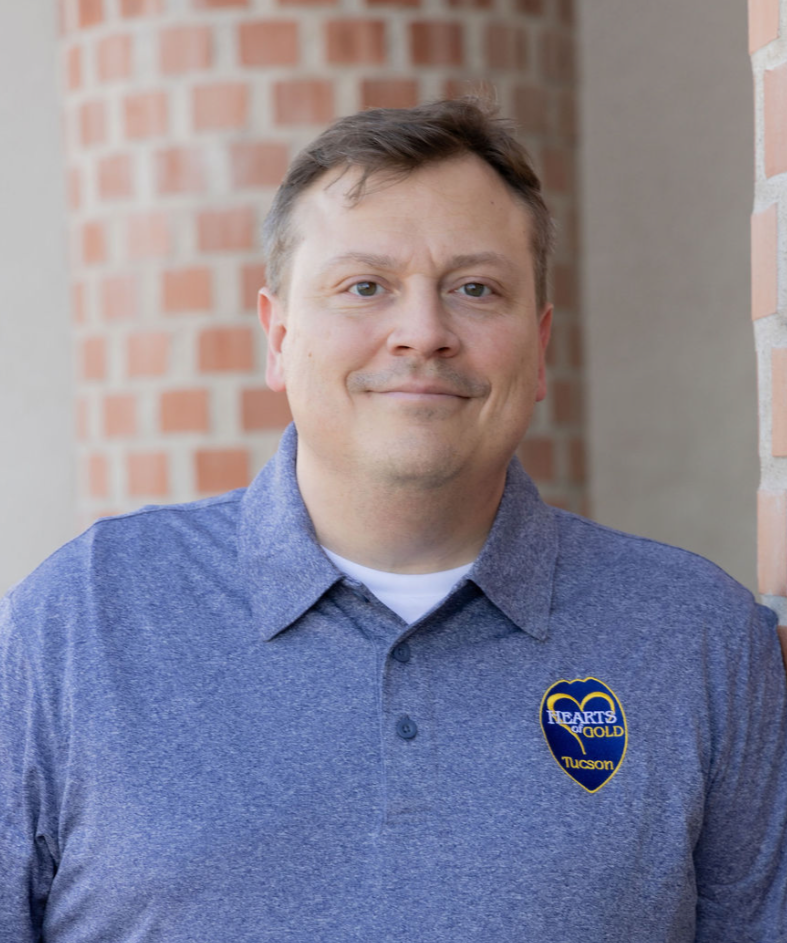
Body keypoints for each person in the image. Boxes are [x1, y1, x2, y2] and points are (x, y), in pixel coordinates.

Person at [1, 99, 785, 943]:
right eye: (364, 286)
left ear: (540, 347)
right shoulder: (82, 620)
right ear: (278, 335)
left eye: (475, 289)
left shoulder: (696, 639)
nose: (422, 332)